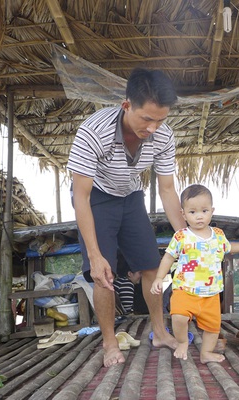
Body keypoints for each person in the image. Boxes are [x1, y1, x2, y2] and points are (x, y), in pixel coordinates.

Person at [68, 68, 186, 367]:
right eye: (146, 118)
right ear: (126, 105)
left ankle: (160, 332)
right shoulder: (93, 132)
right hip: (96, 198)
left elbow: (168, 188)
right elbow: (80, 196)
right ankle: (109, 344)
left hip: (132, 196)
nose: (153, 127)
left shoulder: (163, 136)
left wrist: (187, 235)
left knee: (151, 266)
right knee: (103, 274)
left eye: (161, 119)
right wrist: (95, 255)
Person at [150, 184, 239, 363]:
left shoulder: (218, 235)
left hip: (211, 293)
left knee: (212, 327)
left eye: (204, 210)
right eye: (192, 212)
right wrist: (158, 278)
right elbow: (168, 258)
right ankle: (182, 342)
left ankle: (206, 353)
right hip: (184, 290)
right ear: (183, 214)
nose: (199, 216)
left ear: (212, 211)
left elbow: (230, 248)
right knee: (178, 317)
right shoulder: (181, 236)